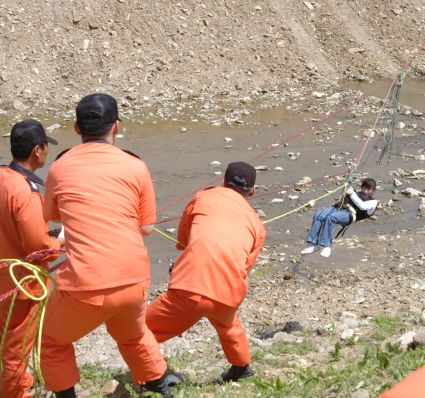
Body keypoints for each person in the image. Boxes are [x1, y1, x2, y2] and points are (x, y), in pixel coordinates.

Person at [40, 93, 176, 398]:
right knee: (132, 333)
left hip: (83, 285)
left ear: (76, 128)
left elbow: (52, 216)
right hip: (132, 280)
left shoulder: (59, 168)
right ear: (116, 126)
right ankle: (158, 383)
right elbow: (147, 228)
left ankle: (65, 394)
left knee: (51, 340)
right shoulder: (135, 166)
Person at [146, 161, 267, 382]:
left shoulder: (204, 197)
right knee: (227, 324)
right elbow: (245, 266)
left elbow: (183, 238)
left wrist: (184, 257)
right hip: (229, 291)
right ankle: (242, 368)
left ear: (223, 182)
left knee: (141, 330)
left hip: (191, 286)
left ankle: (154, 377)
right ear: (252, 191)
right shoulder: (257, 225)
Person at [0, 119, 61, 398]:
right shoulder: (26, 191)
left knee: (10, 340)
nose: (46, 152)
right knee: (17, 346)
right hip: (25, 284)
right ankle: (15, 393)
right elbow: (38, 246)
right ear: (38, 150)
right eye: (46, 146)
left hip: (2, 276)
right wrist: (60, 241)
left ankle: (18, 383)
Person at [301, 177, 378, 258]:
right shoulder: (356, 193)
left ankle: (327, 246)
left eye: (369, 189)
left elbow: (362, 206)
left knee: (331, 217)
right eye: (364, 188)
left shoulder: (374, 202)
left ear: (373, 191)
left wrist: (351, 193)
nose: (366, 191)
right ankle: (313, 244)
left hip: (350, 214)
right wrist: (346, 189)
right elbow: (342, 198)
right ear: (361, 187)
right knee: (318, 215)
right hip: (339, 207)